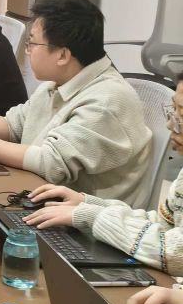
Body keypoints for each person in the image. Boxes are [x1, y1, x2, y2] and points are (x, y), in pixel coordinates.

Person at [0, 0, 153, 207]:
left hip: (84, 219)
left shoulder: (107, 100)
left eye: (32, 43)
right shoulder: (60, 81)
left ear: (62, 55)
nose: (27, 51)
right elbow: (15, 124)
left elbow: (51, 163)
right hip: (39, 196)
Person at [24, 72, 183, 273]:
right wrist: (87, 203)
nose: (171, 124)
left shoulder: (109, 97)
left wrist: (92, 216)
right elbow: (165, 224)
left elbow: (175, 252)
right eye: (173, 111)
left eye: (182, 115)